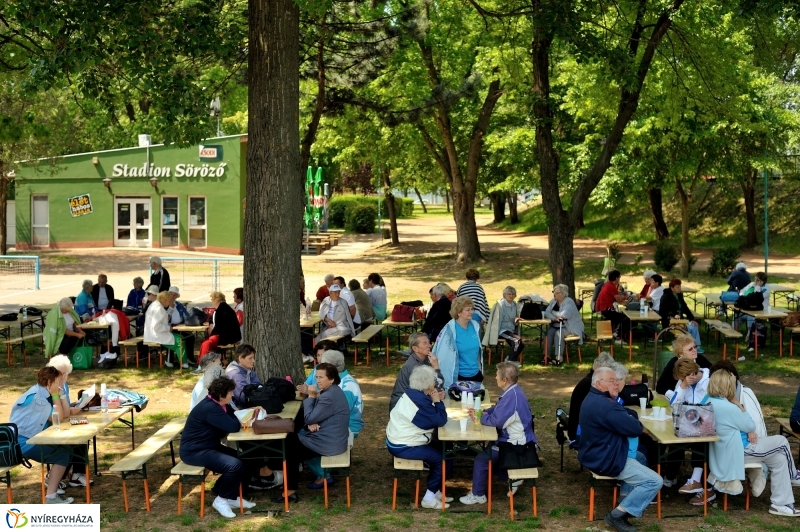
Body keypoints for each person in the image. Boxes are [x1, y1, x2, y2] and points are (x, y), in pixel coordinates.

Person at [578, 366, 662, 532]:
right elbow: (635, 428)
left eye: (617, 380)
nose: (616, 384)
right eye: (611, 381)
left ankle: (625, 500)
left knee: (641, 457)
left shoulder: (593, 398)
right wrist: (631, 419)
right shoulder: (607, 406)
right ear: (599, 383)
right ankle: (618, 515)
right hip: (606, 459)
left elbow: (626, 415)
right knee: (654, 481)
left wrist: (628, 417)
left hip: (592, 453)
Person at [706, 369, 800, 517]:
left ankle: (780, 504)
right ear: (727, 386)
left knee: (780, 460)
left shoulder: (708, 401)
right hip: (741, 450)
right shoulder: (729, 407)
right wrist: (738, 403)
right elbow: (750, 425)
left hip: (729, 450)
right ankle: (793, 476)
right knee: (782, 441)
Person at [459, 362, 537, 505]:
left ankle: (478, 495)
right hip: (515, 440)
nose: (495, 377)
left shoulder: (512, 397)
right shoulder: (513, 391)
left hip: (515, 445)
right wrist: (484, 412)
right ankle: (510, 478)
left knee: (482, 459)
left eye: (497, 375)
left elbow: (497, 422)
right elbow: (497, 409)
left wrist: (480, 418)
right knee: (489, 452)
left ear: (505, 380)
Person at [180, 376, 258, 518]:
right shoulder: (210, 408)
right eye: (230, 392)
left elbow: (234, 417)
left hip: (209, 446)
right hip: (195, 450)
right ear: (222, 395)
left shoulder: (220, 404)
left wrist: (236, 415)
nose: (233, 395)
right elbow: (233, 426)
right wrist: (238, 417)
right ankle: (221, 500)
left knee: (248, 460)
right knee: (234, 465)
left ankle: (232, 497)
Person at [276, 363, 350, 504]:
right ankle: (288, 487)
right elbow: (313, 416)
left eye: (321, 377)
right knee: (291, 442)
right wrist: (311, 420)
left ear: (332, 379)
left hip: (329, 444)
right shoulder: (331, 391)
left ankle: (289, 490)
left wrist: (310, 396)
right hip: (330, 439)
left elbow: (309, 416)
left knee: (289, 443)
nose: (317, 380)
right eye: (316, 377)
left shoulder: (329, 396)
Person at [386, 365, 451, 510]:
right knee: (443, 460)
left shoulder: (412, 394)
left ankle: (435, 491)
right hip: (403, 446)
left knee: (445, 451)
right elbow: (440, 420)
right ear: (429, 385)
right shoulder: (420, 401)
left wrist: (433, 400)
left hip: (398, 439)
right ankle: (428, 498)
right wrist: (438, 402)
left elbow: (430, 416)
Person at [298, 350, 364, 488]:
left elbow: (332, 412)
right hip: (334, 423)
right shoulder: (339, 383)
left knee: (301, 437)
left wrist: (313, 418)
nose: (317, 378)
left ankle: (323, 475)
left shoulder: (345, 387)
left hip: (346, 427)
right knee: (303, 432)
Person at [10, 366, 75, 504]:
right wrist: (56, 395)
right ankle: (51, 497)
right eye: (57, 381)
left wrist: (59, 394)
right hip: (22, 443)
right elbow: (59, 418)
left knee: (67, 448)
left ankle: (54, 489)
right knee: (63, 454)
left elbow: (64, 415)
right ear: (49, 382)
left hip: (26, 439)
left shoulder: (40, 392)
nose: (60, 384)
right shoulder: (39, 400)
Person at [432, 295, 483, 389]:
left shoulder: (476, 326)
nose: (471, 312)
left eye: (472, 309)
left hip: (476, 374)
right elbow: (443, 355)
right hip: (458, 376)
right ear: (459, 312)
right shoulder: (449, 330)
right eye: (468, 310)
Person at [390, 332, 444, 411]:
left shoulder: (426, 360)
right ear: (415, 348)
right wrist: (436, 367)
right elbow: (426, 390)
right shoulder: (413, 367)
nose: (429, 345)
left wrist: (438, 393)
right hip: (402, 408)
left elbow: (435, 386)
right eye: (424, 343)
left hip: (412, 403)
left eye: (429, 342)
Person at [567, 352, 615, 442]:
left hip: (581, 428)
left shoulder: (589, 381)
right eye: (606, 371)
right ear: (597, 368)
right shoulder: (591, 384)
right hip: (580, 432)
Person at [144, 291, 188, 368]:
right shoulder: (158, 308)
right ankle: (183, 364)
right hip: (156, 334)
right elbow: (156, 326)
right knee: (179, 341)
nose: (170, 302)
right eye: (169, 300)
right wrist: (168, 328)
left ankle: (181, 361)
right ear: (164, 300)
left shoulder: (156, 305)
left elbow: (163, 319)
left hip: (154, 333)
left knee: (180, 337)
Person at [659, 278, 704, 355]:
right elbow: (662, 311)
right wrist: (673, 315)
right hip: (669, 320)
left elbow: (685, 308)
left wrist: (692, 318)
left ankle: (696, 346)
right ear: (672, 288)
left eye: (680, 287)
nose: (679, 289)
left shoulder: (679, 295)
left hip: (681, 320)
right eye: (677, 287)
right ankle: (685, 346)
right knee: (683, 328)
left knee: (693, 326)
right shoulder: (665, 297)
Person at [543, 284, 584, 365]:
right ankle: (546, 356)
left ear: (563, 294)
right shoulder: (553, 301)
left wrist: (553, 312)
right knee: (548, 334)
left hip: (570, 327)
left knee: (559, 334)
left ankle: (559, 358)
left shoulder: (569, 302)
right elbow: (547, 312)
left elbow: (565, 315)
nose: (554, 294)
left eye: (556, 292)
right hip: (556, 325)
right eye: (553, 292)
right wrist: (554, 318)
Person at [483, 286, 525, 363]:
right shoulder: (500, 305)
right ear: (504, 295)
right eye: (509, 294)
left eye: (513, 294)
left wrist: (516, 320)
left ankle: (509, 359)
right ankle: (511, 361)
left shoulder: (515, 305)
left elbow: (513, 321)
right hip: (501, 330)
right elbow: (496, 322)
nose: (511, 296)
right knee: (516, 340)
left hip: (510, 330)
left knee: (521, 344)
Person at [199, 291, 242, 362]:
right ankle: (209, 361)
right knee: (205, 342)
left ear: (216, 300)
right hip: (229, 335)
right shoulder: (224, 308)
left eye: (212, 300)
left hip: (228, 336)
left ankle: (202, 364)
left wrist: (211, 334)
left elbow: (219, 327)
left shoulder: (221, 310)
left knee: (206, 343)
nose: (212, 302)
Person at [595, 270, 630, 343]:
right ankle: (619, 337)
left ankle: (615, 332)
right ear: (616, 278)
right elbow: (619, 299)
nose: (619, 279)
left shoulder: (607, 284)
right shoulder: (611, 286)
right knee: (626, 318)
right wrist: (627, 296)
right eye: (619, 277)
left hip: (603, 308)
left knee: (619, 317)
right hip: (606, 309)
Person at [167, 286, 195, 364]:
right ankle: (176, 360)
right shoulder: (165, 304)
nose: (172, 296)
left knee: (191, 337)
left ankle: (189, 358)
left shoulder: (179, 305)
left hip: (179, 327)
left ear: (176, 296)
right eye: (171, 294)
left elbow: (187, 315)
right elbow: (164, 319)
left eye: (174, 295)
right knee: (180, 338)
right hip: (169, 328)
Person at [738, 271, 770, 337]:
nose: (755, 281)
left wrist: (757, 287)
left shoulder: (766, 289)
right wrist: (744, 296)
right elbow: (742, 291)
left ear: (762, 281)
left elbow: (757, 298)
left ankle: (750, 333)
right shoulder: (752, 284)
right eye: (755, 278)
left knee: (750, 315)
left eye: (757, 280)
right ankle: (734, 331)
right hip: (748, 306)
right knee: (737, 313)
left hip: (760, 309)